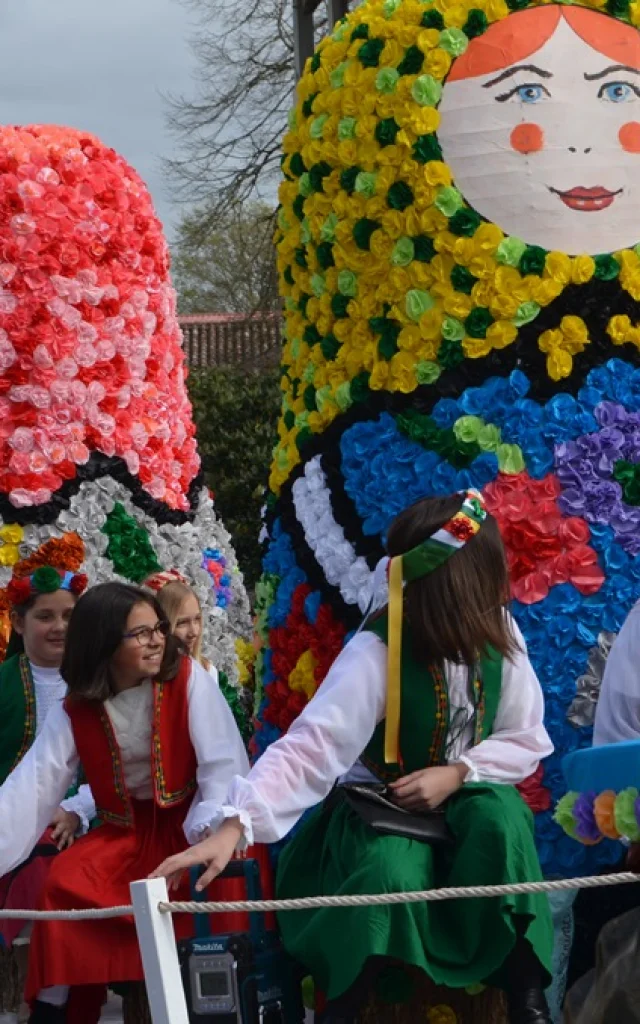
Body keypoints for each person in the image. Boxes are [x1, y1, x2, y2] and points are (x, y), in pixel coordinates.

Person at [153, 490, 555, 1024]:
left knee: (502, 821)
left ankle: (527, 992)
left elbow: (525, 736)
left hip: (464, 795)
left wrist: (457, 773)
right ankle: (345, 1003)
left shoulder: (500, 634)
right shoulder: (378, 649)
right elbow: (313, 745)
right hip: (381, 809)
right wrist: (236, 824)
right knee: (392, 871)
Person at [0, 581, 253, 1024]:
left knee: (212, 885)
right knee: (62, 884)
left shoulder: (189, 681)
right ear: (102, 642)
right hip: (124, 834)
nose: (158, 638)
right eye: (141, 633)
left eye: (158, 626)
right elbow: (34, 786)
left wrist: (207, 834)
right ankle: (56, 1009)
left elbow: (223, 765)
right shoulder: (76, 705)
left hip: (191, 826)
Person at [0, 567, 94, 1017]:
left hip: (87, 824)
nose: (59, 627)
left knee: (54, 868)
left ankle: (52, 1001)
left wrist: (77, 810)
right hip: (9, 821)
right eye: (45, 616)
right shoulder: (3, 683)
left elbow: (121, 764)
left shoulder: (100, 682)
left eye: (69, 615)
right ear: (18, 622)